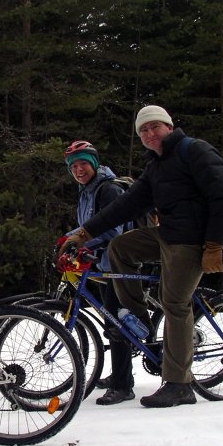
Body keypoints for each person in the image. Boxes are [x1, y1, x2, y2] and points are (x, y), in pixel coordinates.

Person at [59, 105, 223, 408]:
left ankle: (179, 385)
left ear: (169, 127)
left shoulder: (194, 151)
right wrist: (83, 233)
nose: (149, 133)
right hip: (168, 234)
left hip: (194, 239)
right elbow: (127, 205)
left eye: (155, 126)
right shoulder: (156, 165)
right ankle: (137, 315)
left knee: (174, 303)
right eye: (143, 130)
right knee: (120, 247)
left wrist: (214, 244)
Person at [62, 141, 135, 405]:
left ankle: (123, 386)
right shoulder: (86, 191)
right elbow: (87, 227)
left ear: (94, 164)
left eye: (83, 164)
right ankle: (120, 373)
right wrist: (71, 239)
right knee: (111, 320)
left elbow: (112, 230)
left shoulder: (108, 190)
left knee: (116, 324)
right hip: (104, 264)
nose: (78, 170)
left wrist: (76, 241)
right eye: (73, 167)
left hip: (120, 263)